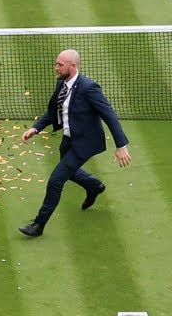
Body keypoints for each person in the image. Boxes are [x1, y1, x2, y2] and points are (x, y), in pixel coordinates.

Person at [18, 49, 131, 237]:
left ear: (73, 66)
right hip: (68, 139)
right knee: (70, 171)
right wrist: (36, 128)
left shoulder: (89, 88)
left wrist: (121, 145)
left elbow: (109, 115)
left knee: (56, 180)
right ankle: (94, 186)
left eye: (59, 64)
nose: (56, 67)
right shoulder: (62, 83)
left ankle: (38, 225)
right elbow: (54, 111)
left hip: (85, 143)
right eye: (56, 63)